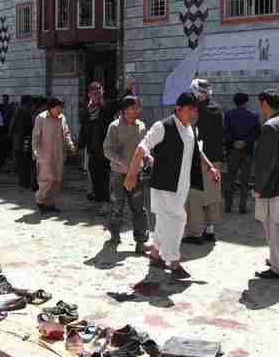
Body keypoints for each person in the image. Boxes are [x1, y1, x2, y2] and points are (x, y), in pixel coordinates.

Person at [125, 93, 221, 279]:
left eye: (195, 110)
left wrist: (211, 168)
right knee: (178, 220)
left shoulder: (190, 129)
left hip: (181, 185)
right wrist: (131, 174)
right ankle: (174, 262)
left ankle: (155, 254)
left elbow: (197, 152)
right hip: (165, 185)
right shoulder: (163, 126)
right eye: (189, 109)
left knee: (164, 220)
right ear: (178, 108)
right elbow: (142, 148)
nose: (193, 113)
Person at [103, 95, 149, 254]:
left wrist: (148, 158)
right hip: (119, 174)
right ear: (125, 109)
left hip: (137, 174)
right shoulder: (114, 126)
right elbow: (107, 150)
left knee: (139, 209)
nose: (137, 110)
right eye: (134, 107)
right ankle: (115, 235)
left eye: (138, 107)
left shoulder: (141, 126)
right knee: (117, 206)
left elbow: (145, 147)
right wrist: (123, 161)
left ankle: (141, 241)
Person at [254, 90, 279, 279]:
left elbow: (265, 162)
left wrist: (258, 187)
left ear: (265, 104)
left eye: (260, 104)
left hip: (274, 186)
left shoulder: (270, 126)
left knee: (275, 227)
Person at [183, 79, 224, 244]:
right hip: (216, 158)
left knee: (195, 197)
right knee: (212, 196)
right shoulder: (218, 109)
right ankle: (210, 230)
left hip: (199, 158)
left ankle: (195, 233)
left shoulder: (195, 111)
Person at [79, 82, 119, 216]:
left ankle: (107, 202)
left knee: (105, 176)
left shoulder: (107, 106)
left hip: (106, 148)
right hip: (92, 148)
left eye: (98, 92)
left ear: (102, 93)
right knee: (94, 173)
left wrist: (130, 89)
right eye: (93, 92)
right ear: (89, 94)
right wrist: (80, 144)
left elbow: (124, 102)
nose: (95, 95)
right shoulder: (87, 109)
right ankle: (101, 199)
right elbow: (84, 127)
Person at [32, 97, 76, 213]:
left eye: (61, 108)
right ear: (51, 108)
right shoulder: (41, 118)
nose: (60, 111)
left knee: (57, 180)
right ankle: (40, 201)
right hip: (45, 155)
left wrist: (70, 145)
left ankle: (50, 204)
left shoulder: (62, 118)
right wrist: (35, 151)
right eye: (58, 108)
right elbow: (36, 136)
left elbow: (66, 133)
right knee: (46, 180)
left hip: (59, 154)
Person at [224, 92, 261, 214]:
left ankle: (228, 207)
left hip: (232, 151)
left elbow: (225, 132)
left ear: (235, 102)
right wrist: (245, 142)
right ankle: (242, 207)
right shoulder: (253, 116)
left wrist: (234, 142)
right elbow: (257, 133)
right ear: (246, 102)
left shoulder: (228, 115)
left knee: (230, 179)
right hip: (247, 151)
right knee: (245, 181)